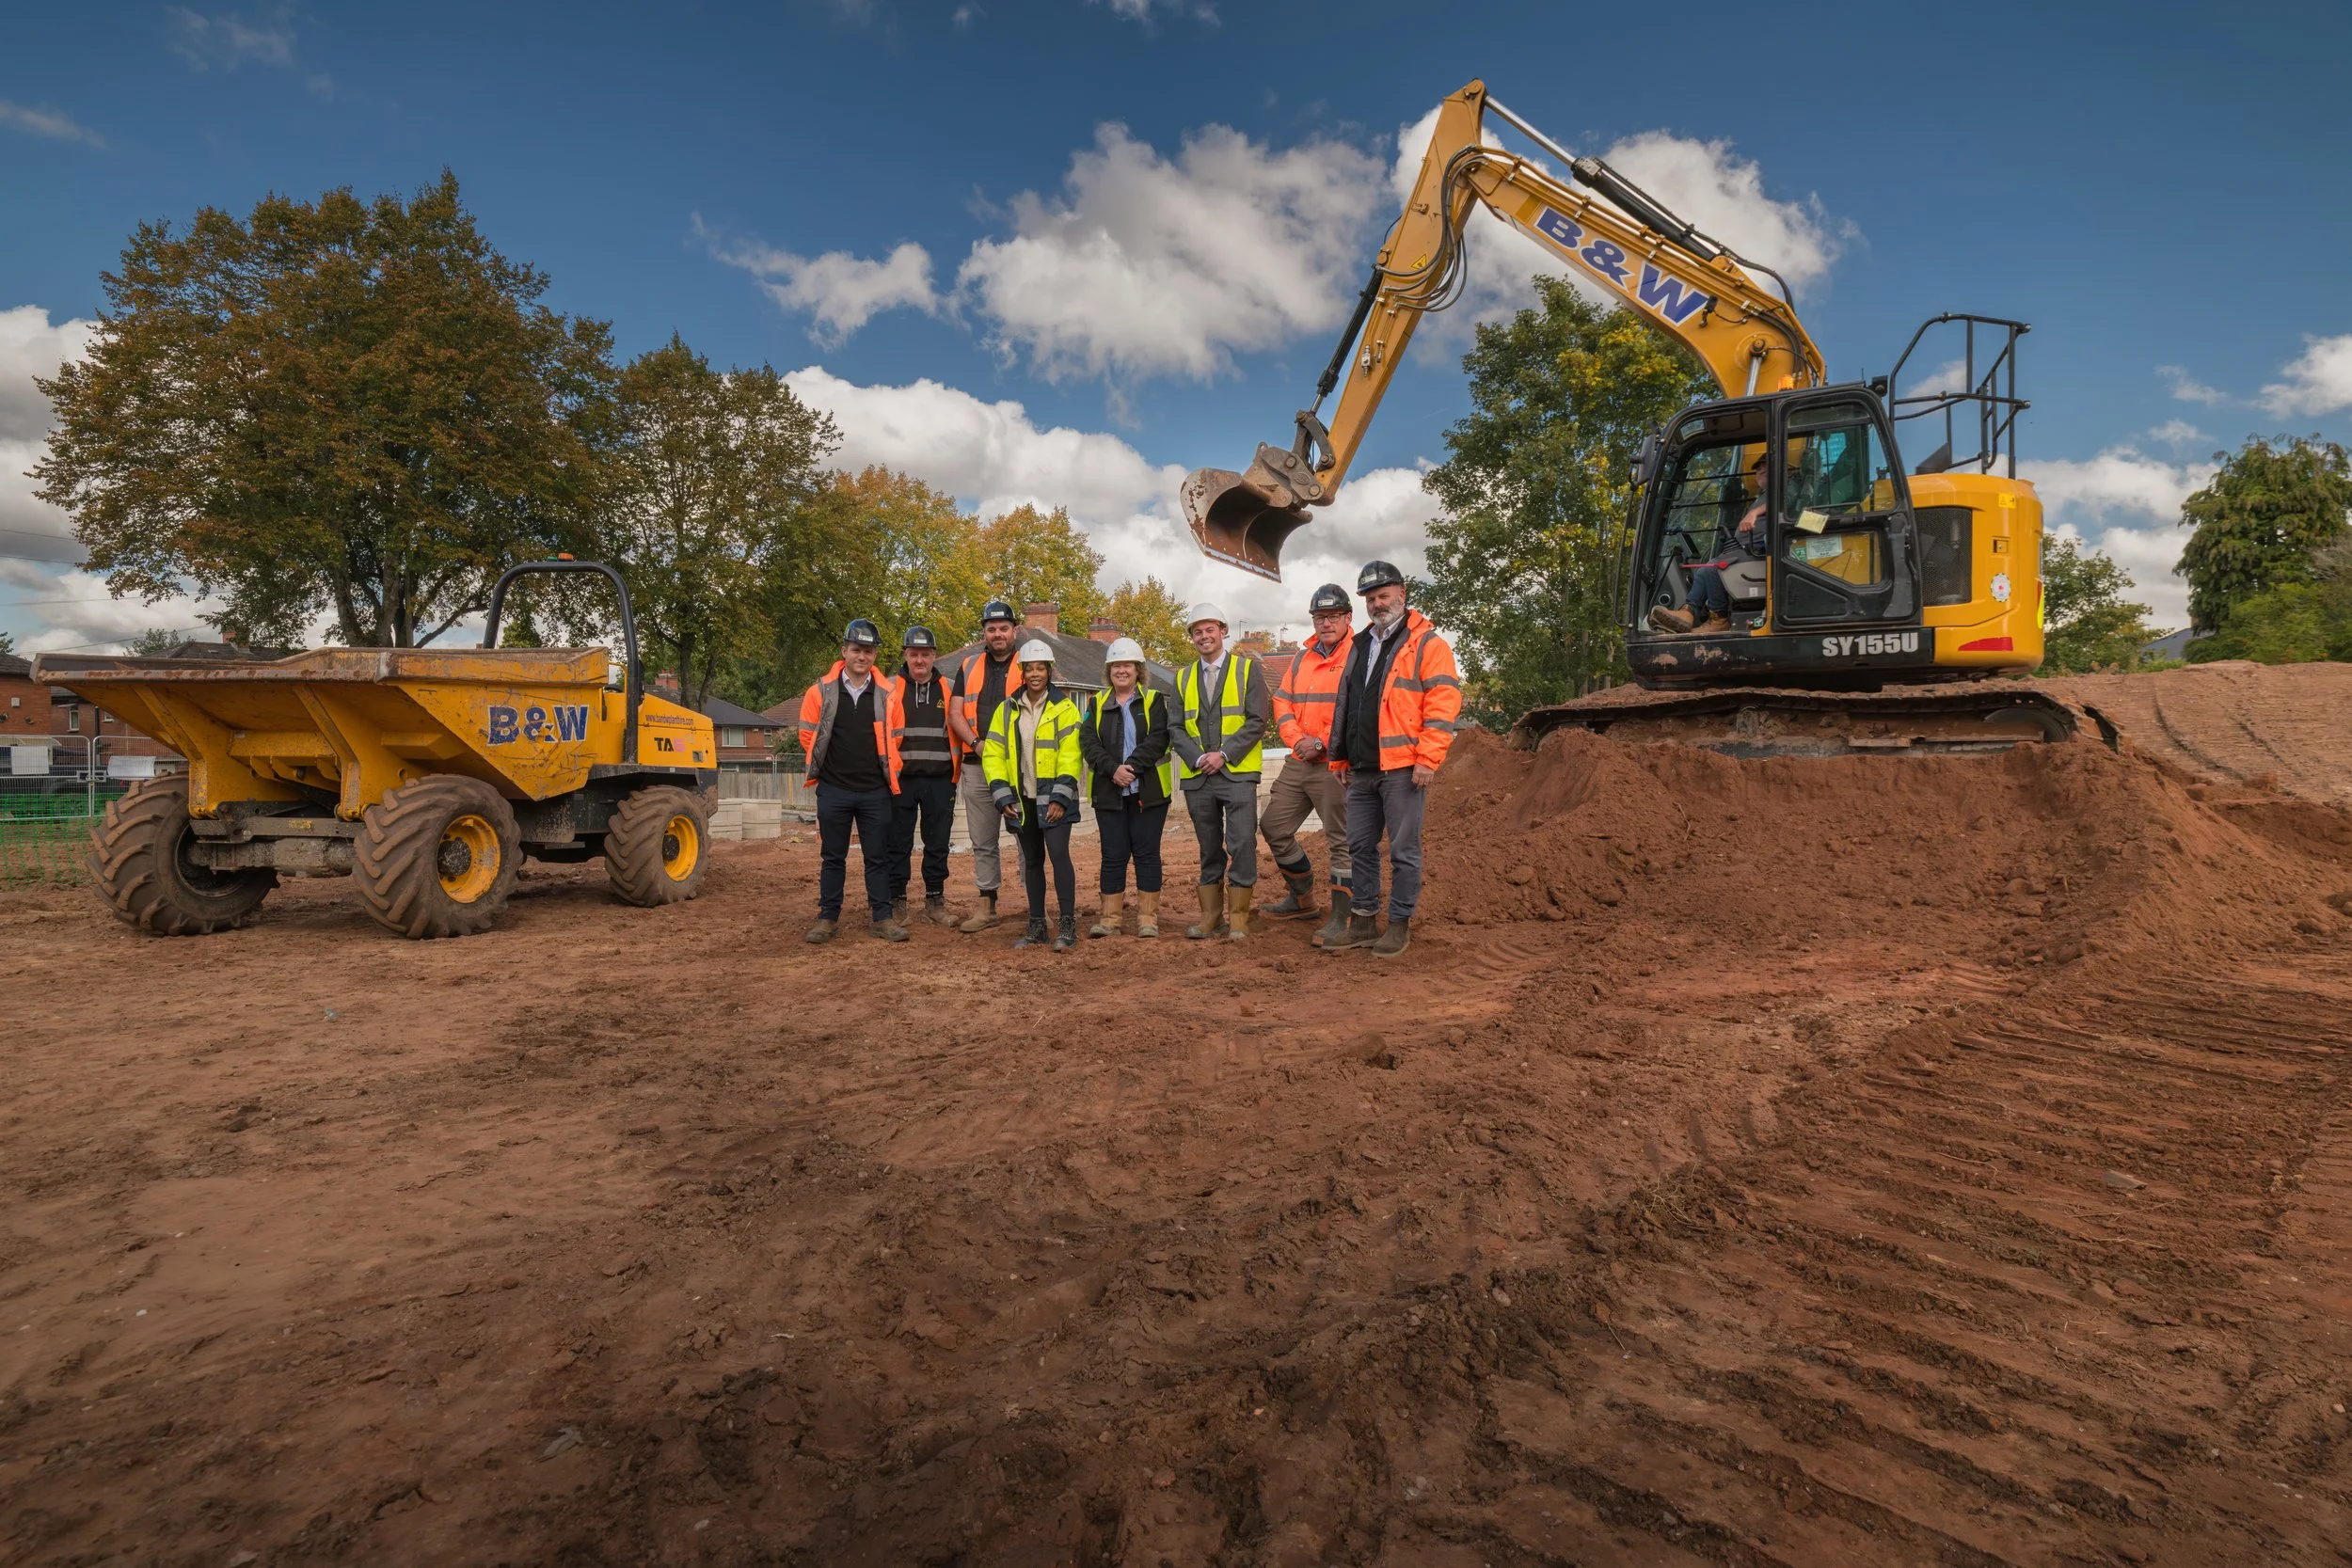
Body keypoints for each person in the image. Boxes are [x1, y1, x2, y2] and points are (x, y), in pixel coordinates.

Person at [1325, 562, 1460, 958]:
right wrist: (1341, 760)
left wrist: (1428, 758)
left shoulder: (1428, 644)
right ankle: (1363, 921)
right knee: (1361, 847)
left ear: (1402, 593)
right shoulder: (1361, 643)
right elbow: (1348, 705)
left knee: (1403, 850)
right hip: (1362, 768)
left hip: (1403, 768)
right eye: (1370, 598)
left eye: (1384, 596)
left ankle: (1399, 925)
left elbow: (1443, 703)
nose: (1377, 604)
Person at [795, 618, 905, 944]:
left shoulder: (887, 693)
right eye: (856, 650)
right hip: (834, 789)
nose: (862, 656)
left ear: (874, 655)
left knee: (877, 856)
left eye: (869, 651)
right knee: (833, 856)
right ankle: (828, 918)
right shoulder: (820, 691)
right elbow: (807, 734)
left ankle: (882, 918)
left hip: (875, 790)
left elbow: (896, 736)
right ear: (844, 651)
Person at [1169, 603, 1271, 942]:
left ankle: (1238, 918)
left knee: (1241, 843)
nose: (1204, 636)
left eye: (1209, 629)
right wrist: (1199, 758)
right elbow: (1175, 728)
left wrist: (1224, 755)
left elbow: (1257, 721)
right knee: (1208, 847)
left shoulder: (1246, 671)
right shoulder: (1182, 678)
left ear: (1223, 632)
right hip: (1199, 777)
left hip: (1237, 774)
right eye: (1197, 632)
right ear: (1192, 638)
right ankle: (1210, 917)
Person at [1262, 582, 1355, 942]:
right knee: (1273, 826)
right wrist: (1299, 740)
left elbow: (1357, 709)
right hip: (1300, 759)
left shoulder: (1359, 655)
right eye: (1319, 617)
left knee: (1341, 841)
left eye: (1332, 616)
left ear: (1348, 617)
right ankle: (1303, 900)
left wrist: (1323, 742)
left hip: (1336, 762)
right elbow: (1282, 701)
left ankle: (1344, 919)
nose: (1325, 623)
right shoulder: (1302, 657)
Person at [1076, 637, 1172, 939]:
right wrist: (1112, 770)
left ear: (1138, 669)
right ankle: (1110, 919)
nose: (1122, 670)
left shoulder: (1154, 701)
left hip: (1149, 794)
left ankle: (1147, 919)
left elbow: (1158, 739)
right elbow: (1087, 742)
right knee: (1113, 855)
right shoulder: (1096, 704)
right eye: (1116, 665)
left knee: (1146, 854)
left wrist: (1129, 768)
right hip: (1109, 794)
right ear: (1109, 670)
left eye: (1127, 665)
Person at [947, 599, 1022, 932]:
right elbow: (955, 713)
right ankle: (986, 907)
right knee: (982, 840)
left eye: (1003, 628)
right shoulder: (969, 665)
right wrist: (977, 744)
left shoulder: (1029, 662)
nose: (997, 634)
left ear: (1014, 630)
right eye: (991, 629)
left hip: (1019, 768)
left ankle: (1037, 906)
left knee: (1027, 838)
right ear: (984, 633)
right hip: (977, 765)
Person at [885, 625, 960, 927]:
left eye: (925, 655)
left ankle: (935, 900)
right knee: (897, 842)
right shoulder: (888, 689)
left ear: (934, 656)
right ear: (905, 655)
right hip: (900, 779)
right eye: (914, 654)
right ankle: (896, 900)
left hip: (940, 779)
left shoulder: (951, 689)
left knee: (938, 842)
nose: (919, 660)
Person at [1651, 451, 1770, 635]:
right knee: (1705, 569)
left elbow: (1784, 502)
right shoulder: (1763, 495)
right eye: (1758, 469)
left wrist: (1755, 512)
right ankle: (1688, 613)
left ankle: (1719, 619)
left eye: (1766, 468)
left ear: (1781, 471)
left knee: (1711, 569)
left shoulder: (1784, 489)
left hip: (1759, 553)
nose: (1760, 471)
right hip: (1746, 552)